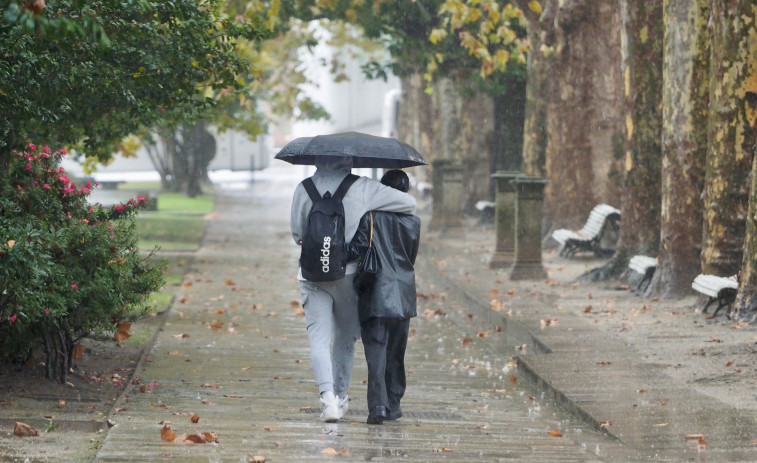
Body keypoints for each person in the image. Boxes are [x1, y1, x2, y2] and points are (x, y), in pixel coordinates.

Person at [290, 157, 416, 422]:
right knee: (346, 338)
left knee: (319, 339)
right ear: (348, 160)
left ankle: (328, 401)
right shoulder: (363, 187)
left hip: (312, 274)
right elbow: (409, 204)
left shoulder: (303, 188)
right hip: (347, 275)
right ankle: (340, 394)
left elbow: (297, 233)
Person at [352, 169, 420, 425]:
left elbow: (358, 249)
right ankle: (394, 403)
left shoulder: (369, 218)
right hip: (403, 294)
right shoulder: (414, 222)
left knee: (376, 353)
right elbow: (410, 258)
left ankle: (377, 406)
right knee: (396, 353)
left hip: (375, 293)